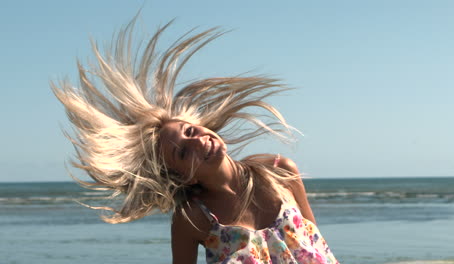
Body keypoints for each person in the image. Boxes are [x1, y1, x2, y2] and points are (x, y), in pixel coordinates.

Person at [51, 18, 339, 264]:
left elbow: (317, 240)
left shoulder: (280, 170)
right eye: (183, 153)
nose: (199, 143)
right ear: (181, 176)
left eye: (190, 132)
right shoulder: (192, 218)